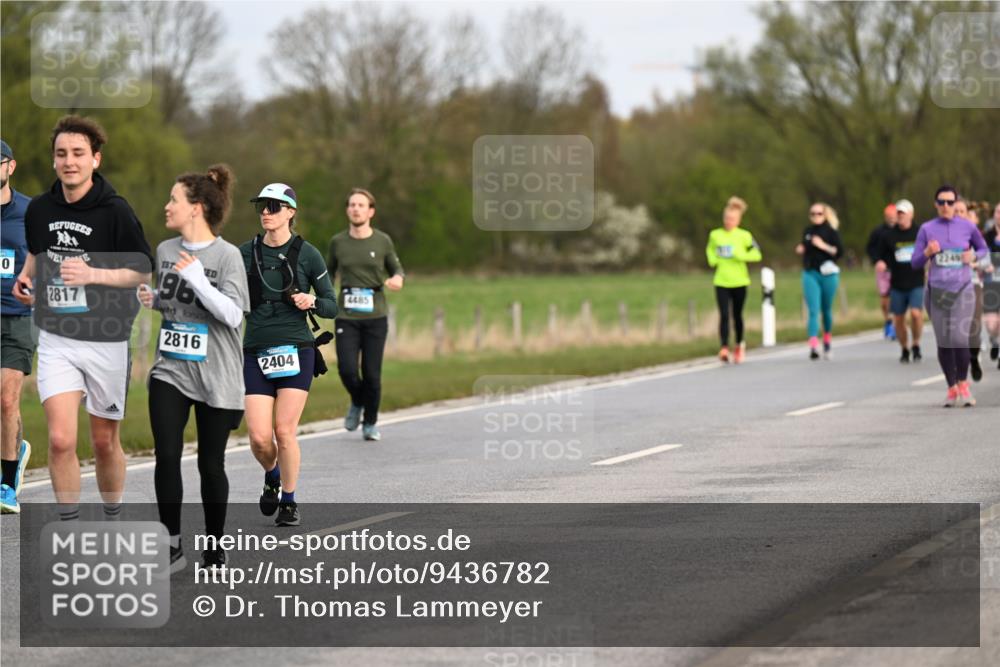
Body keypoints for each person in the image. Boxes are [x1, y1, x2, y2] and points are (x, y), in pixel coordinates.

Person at [12, 116, 152, 520]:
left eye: (77, 153)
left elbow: (142, 269)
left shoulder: (115, 211)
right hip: (58, 337)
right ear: (53, 160)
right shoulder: (39, 209)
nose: (68, 161)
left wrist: (94, 274)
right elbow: (37, 256)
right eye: (61, 154)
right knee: (59, 440)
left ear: (95, 159)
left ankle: (112, 516)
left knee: (104, 442)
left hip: (107, 339)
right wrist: (26, 278)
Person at [139, 165, 248, 570]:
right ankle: (171, 546)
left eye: (174, 199)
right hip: (171, 368)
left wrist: (200, 280)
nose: (166, 206)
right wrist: (154, 298)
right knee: (166, 455)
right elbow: (174, 304)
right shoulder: (165, 251)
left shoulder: (228, 256)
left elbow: (233, 316)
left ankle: (215, 546)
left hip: (216, 372)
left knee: (209, 464)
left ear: (196, 208)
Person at [241, 184, 337, 527]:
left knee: (284, 431)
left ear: (291, 212)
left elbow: (332, 304)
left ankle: (290, 501)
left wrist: (312, 301)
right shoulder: (244, 252)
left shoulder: (309, 254)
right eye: (262, 206)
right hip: (255, 351)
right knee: (258, 437)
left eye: (273, 206)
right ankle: (272, 473)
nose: (266, 212)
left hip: (297, 350)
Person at [328, 188, 404, 441]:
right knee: (347, 370)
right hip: (347, 316)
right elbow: (328, 274)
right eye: (352, 205)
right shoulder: (338, 242)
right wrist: (322, 295)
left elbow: (397, 269)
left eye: (361, 205)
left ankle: (370, 423)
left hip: (376, 315)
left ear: (370, 211)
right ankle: (358, 402)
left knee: (372, 374)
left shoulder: (382, 241)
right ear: (347, 210)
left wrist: (396, 279)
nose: (356, 209)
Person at [911, 186, 989, 407]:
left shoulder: (967, 227)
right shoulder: (926, 229)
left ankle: (963, 384)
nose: (946, 206)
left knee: (958, 338)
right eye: (941, 202)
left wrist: (972, 255)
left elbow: (983, 249)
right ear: (936, 204)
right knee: (944, 342)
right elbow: (915, 262)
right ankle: (951, 387)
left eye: (949, 202)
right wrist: (927, 253)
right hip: (936, 290)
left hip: (963, 288)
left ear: (956, 204)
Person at [1, 140, 34, 514]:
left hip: (17, 317)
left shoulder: (30, 212)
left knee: (7, 398)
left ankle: (7, 485)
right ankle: (18, 446)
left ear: (11, 166)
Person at [705, 196, 762, 363]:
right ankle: (723, 347)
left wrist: (741, 255)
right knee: (724, 315)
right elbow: (710, 250)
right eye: (727, 218)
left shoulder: (745, 236)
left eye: (732, 219)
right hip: (721, 280)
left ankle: (739, 345)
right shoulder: (715, 235)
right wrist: (712, 259)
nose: (729, 222)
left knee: (737, 315)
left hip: (740, 281)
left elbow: (757, 254)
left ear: (738, 220)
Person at [876, 199, 924, 363]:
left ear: (911, 214)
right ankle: (904, 348)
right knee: (898, 319)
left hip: (916, 281)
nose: (900, 216)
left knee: (916, 314)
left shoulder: (920, 232)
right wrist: (880, 262)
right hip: (896, 283)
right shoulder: (888, 235)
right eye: (898, 213)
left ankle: (916, 343)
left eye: (903, 213)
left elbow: (929, 251)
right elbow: (879, 254)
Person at [795, 202, 843, 360]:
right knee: (813, 310)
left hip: (828, 274)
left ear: (825, 215)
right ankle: (814, 345)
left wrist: (823, 245)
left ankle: (827, 340)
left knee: (826, 309)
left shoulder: (831, 232)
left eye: (819, 213)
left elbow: (838, 252)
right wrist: (801, 248)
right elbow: (805, 246)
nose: (815, 216)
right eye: (812, 214)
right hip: (811, 273)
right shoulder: (807, 231)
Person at [955, 199, 988, 382]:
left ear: (967, 214)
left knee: (973, 329)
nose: (958, 214)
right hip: (949, 286)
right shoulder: (944, 235)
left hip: (972, 283)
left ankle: (974, 358)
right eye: (956, 211)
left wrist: (974, 259)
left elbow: (986, 256)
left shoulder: (972, 233)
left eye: (962, 211)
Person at [867, 203, 897, 340]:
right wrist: (877, 261)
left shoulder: (900, 231)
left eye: (893, 216)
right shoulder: (878, 232)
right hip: (883, 269)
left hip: (898, 269)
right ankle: (888, 320)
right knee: (885, 300)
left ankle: (894, 324)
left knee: (896, 297)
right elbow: (870, 248)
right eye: (889, 216)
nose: (891, 219)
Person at [982, 202, 1000, 368]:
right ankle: (994, 341)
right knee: (991, 324)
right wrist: (985, 264)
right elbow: (980, 255)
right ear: (994, 215)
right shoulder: (986, 236)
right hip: (990, 285)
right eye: (998, 212)